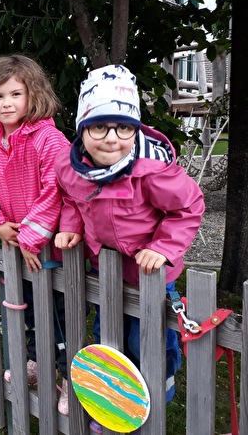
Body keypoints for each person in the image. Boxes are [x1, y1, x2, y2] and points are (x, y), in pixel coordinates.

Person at [53, 64, 204, 433]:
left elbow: (189, 207)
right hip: (106, 275)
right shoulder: (73, 169)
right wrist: (71, 227)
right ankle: (116, 407)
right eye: (99, 127)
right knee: (110, 339)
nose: (111, 139)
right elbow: (73, 199)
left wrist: (164, 247)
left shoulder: (151, 170)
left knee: (150, 344)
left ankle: (153, 404)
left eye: (123, 128)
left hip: (151, 277)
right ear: (82, 129)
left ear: (134, 129)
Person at [0, 54, 70, 411]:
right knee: (26, 310)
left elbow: (55, 191)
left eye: (15, 94)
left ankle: (68, 378)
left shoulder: (49, 139)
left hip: (52, 251)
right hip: (15, 245)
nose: (6, 103)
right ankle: (36, 362)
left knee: (58, 318)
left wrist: (29, 238)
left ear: (34, 94)